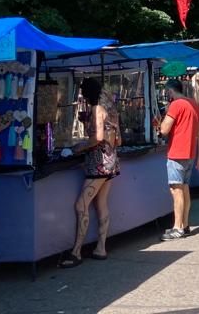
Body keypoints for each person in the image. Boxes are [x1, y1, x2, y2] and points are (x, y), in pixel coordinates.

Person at [60, 78, 120, 268]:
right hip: (110, 161)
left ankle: (76, 252)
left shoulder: (96, 110)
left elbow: (98, 137)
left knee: (81, 206)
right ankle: (100, 248)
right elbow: (118, 138)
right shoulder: (110, 109)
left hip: (98, 163)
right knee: (101, 205)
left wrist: (80, 147)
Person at [159, 79, 199, 240]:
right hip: (190, 153)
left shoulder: (176, 105)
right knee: (184, 189)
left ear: (171, 91)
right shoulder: (193, 104)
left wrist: (160, 122)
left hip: (177, 153)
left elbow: (164, 130)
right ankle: (185, 225)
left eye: (167, 92)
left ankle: (177, 227)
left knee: (176, 190)